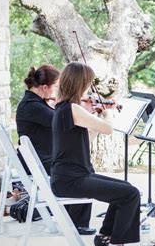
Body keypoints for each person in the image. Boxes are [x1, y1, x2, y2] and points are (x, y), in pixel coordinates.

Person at [50, 62, 141, 246]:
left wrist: (95, 116)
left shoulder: (64, 108)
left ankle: (105, 237)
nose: (90, 89)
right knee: (130, 194)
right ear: (79, 83)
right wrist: (108, 113)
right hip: (72, 180)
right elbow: (108, 129)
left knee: (125, 189)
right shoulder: (73, 108)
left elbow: (86, 139)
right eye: (89, 84)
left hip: (70, 176)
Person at [16, 65, 96, 236]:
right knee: (79, 169)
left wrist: (80, 109)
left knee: (79, 166)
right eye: (56, 87)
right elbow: (62, 120)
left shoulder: (34, 103)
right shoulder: (32, 106)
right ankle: (77, 223)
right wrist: (83, 112)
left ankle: (74, 218)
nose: (58, 91)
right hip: (37, 161)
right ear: (45, 88)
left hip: (40, 157)